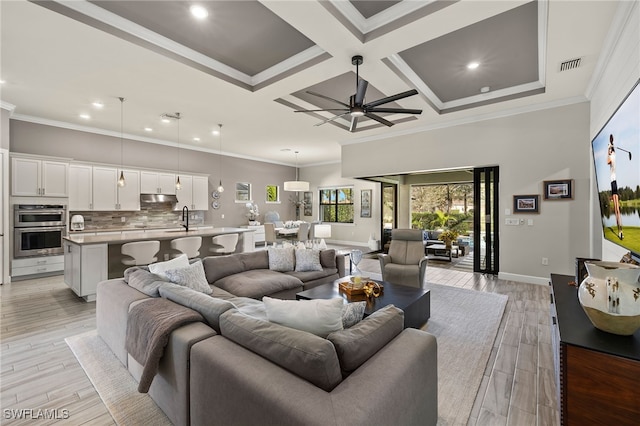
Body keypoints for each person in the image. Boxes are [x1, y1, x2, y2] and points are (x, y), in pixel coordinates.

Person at [607, 134, 623, 240]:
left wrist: (607, 150)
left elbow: (607, 161)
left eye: (609, 151)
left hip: (614, 183)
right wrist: (610, 145)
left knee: (617, 209)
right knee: (616, 210)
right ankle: (620, 231)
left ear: (611, 151)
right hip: (614, 183)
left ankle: (620, 231)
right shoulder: (614, 155)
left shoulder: (612, 157)